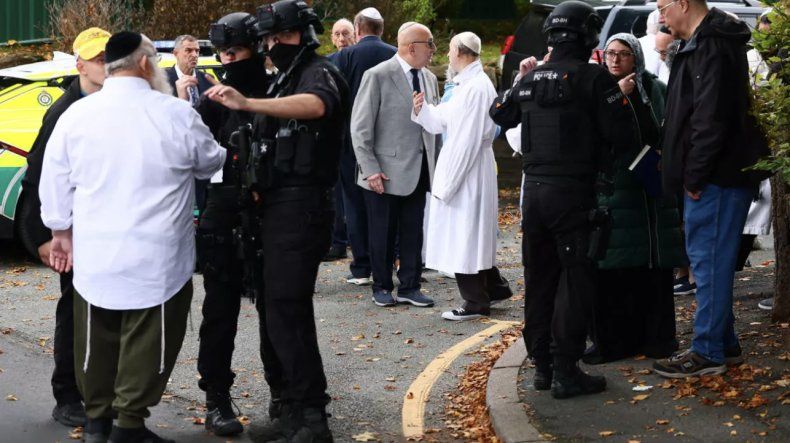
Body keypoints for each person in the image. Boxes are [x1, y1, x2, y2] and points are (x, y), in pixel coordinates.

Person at [39, 32, 226, 442]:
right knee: (150, 342)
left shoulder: (77, 115)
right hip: (157, 258)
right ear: (145, 64)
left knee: (96, 341)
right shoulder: (175, 114)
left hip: (97, 255)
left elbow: (54, 183)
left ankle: (97, 422)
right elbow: (211, 161)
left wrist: (59, 232)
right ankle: (128, 424)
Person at [204, 1, 349, 439]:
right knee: (264, 310)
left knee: (285, 310)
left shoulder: (312, 74)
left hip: (296, 207)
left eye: (277, 37)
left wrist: (250, 103)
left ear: (302, 34)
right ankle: (285, 409)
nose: (272, 45)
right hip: (255, 209)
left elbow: (319, 105)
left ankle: (304, 411)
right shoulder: (284, 76)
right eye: (267, 39)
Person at [490, 0, 636, 399]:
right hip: (572, 194)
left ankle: (542, 366)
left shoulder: (533, 77)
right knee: (574, 280)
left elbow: (500, 113)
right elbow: (624, 136)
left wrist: (523, 83)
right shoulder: (594, 79)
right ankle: (566, 370)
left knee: (539, 280)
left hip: (533, 195)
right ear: (588, 35)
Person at [652, 0, 771, 378]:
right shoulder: (709, 42)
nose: (660, 16)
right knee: (709, 262)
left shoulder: (712, 45)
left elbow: (709, 118)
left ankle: (708, 352)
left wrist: (694, 176)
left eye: (663, 6)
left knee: (709, 264)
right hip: (716, 175)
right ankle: (723, 342)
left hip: (713, 177)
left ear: (683, 4)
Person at [20, 27, 110, 429]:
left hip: (107, 230)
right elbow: (36, 176)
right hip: (73, 234)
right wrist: (42, 236)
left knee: (106, 316)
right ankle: (67, 396)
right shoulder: (64, 111)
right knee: (74, 314)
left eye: (110, 56)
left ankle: (100, 392)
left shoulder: (115, 105)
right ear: (80, 65)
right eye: (98, 59)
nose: (105, 65)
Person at [194, 12, 274, 437]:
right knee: (220, 312)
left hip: (271, 212)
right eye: (223, 52)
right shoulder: (211, 101)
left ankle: (283, 394)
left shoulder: (277, 89)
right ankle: (216, 398)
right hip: (224, 214)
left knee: (277, 312)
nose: (228, 60)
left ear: (255, 48)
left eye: (236, 51)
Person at [584, 33, 684, 364]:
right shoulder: (597, 87)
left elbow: (661, 131)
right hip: (613, 192)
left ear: (636, 58)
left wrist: (633, 101)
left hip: (649, 194)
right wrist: (616, 97)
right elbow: (591, 135)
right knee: (613, 271)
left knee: (649, 272)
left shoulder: (653, 87)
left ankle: (655, 340)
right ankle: (612, 342)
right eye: (610, 53)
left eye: (623, 54)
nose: (615, 60)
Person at [411, 32, 512, 320]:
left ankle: (475, 302)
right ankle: (490, 290)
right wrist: (423, 111)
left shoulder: (475, 87)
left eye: (450, 51)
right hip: (466, 166)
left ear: (460, 52)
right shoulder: (467, 84)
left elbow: (466, 141)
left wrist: (447, 184)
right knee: (469, 234)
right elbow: (443, 119)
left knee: (465, 235)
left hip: (467, 170)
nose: (446, 57)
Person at [351, 22, 439, 308]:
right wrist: (369, 168)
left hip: (420, 167)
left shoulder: (428, 77)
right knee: (382, 232)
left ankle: (410, 286)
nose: (433, 50)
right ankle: (382, 285)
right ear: (411, 47)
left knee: (413, 229)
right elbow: (360, 128)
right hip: (384, 171)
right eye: (430, 44)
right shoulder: (377, 75)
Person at [333, 7, 396, 285]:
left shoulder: (344, 56)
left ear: (357, 30)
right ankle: (391, 258)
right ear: (381, 29)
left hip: (352, 141)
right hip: (390, 140)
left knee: (355, 203)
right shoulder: (396, 54)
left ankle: (362, 266)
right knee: (390, 202)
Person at [166, 34, 217, 214]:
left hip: (203, 156)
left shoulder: (206, 80)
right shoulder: (162, 81)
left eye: (197, 51)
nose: (194, 55)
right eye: (188, 50)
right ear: (176, 53)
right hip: (173, 157)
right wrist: (181, 99)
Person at [324, 17, 356, 261]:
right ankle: (338, 240)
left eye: (346, 33)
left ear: (355, 34)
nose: (341, 38)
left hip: (360, 134)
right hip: (337, 135)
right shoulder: (327, 63)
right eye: (336, 34)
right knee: (337, 191)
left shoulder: (359, 59)